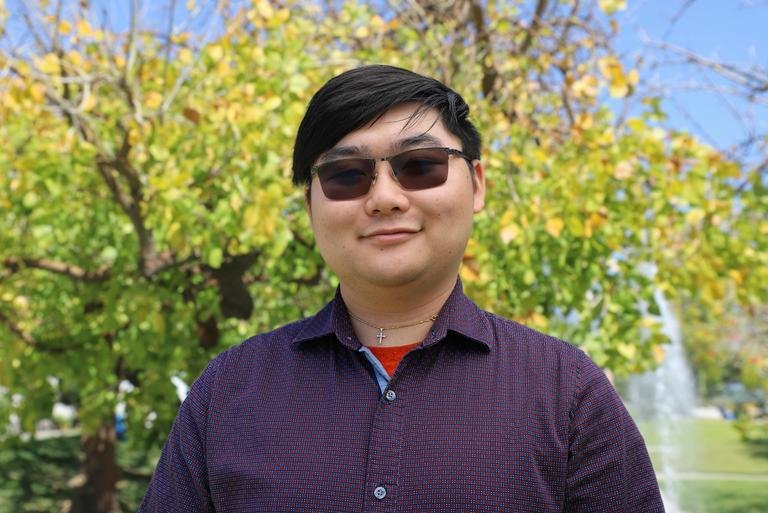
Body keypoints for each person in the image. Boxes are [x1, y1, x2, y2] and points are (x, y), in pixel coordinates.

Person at [139, 65, 664, 512]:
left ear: (476, 185)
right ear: (311, 207)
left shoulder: (566, 392)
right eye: (347, 174)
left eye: (419, 166)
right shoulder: (228, 391)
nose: (385, 198)